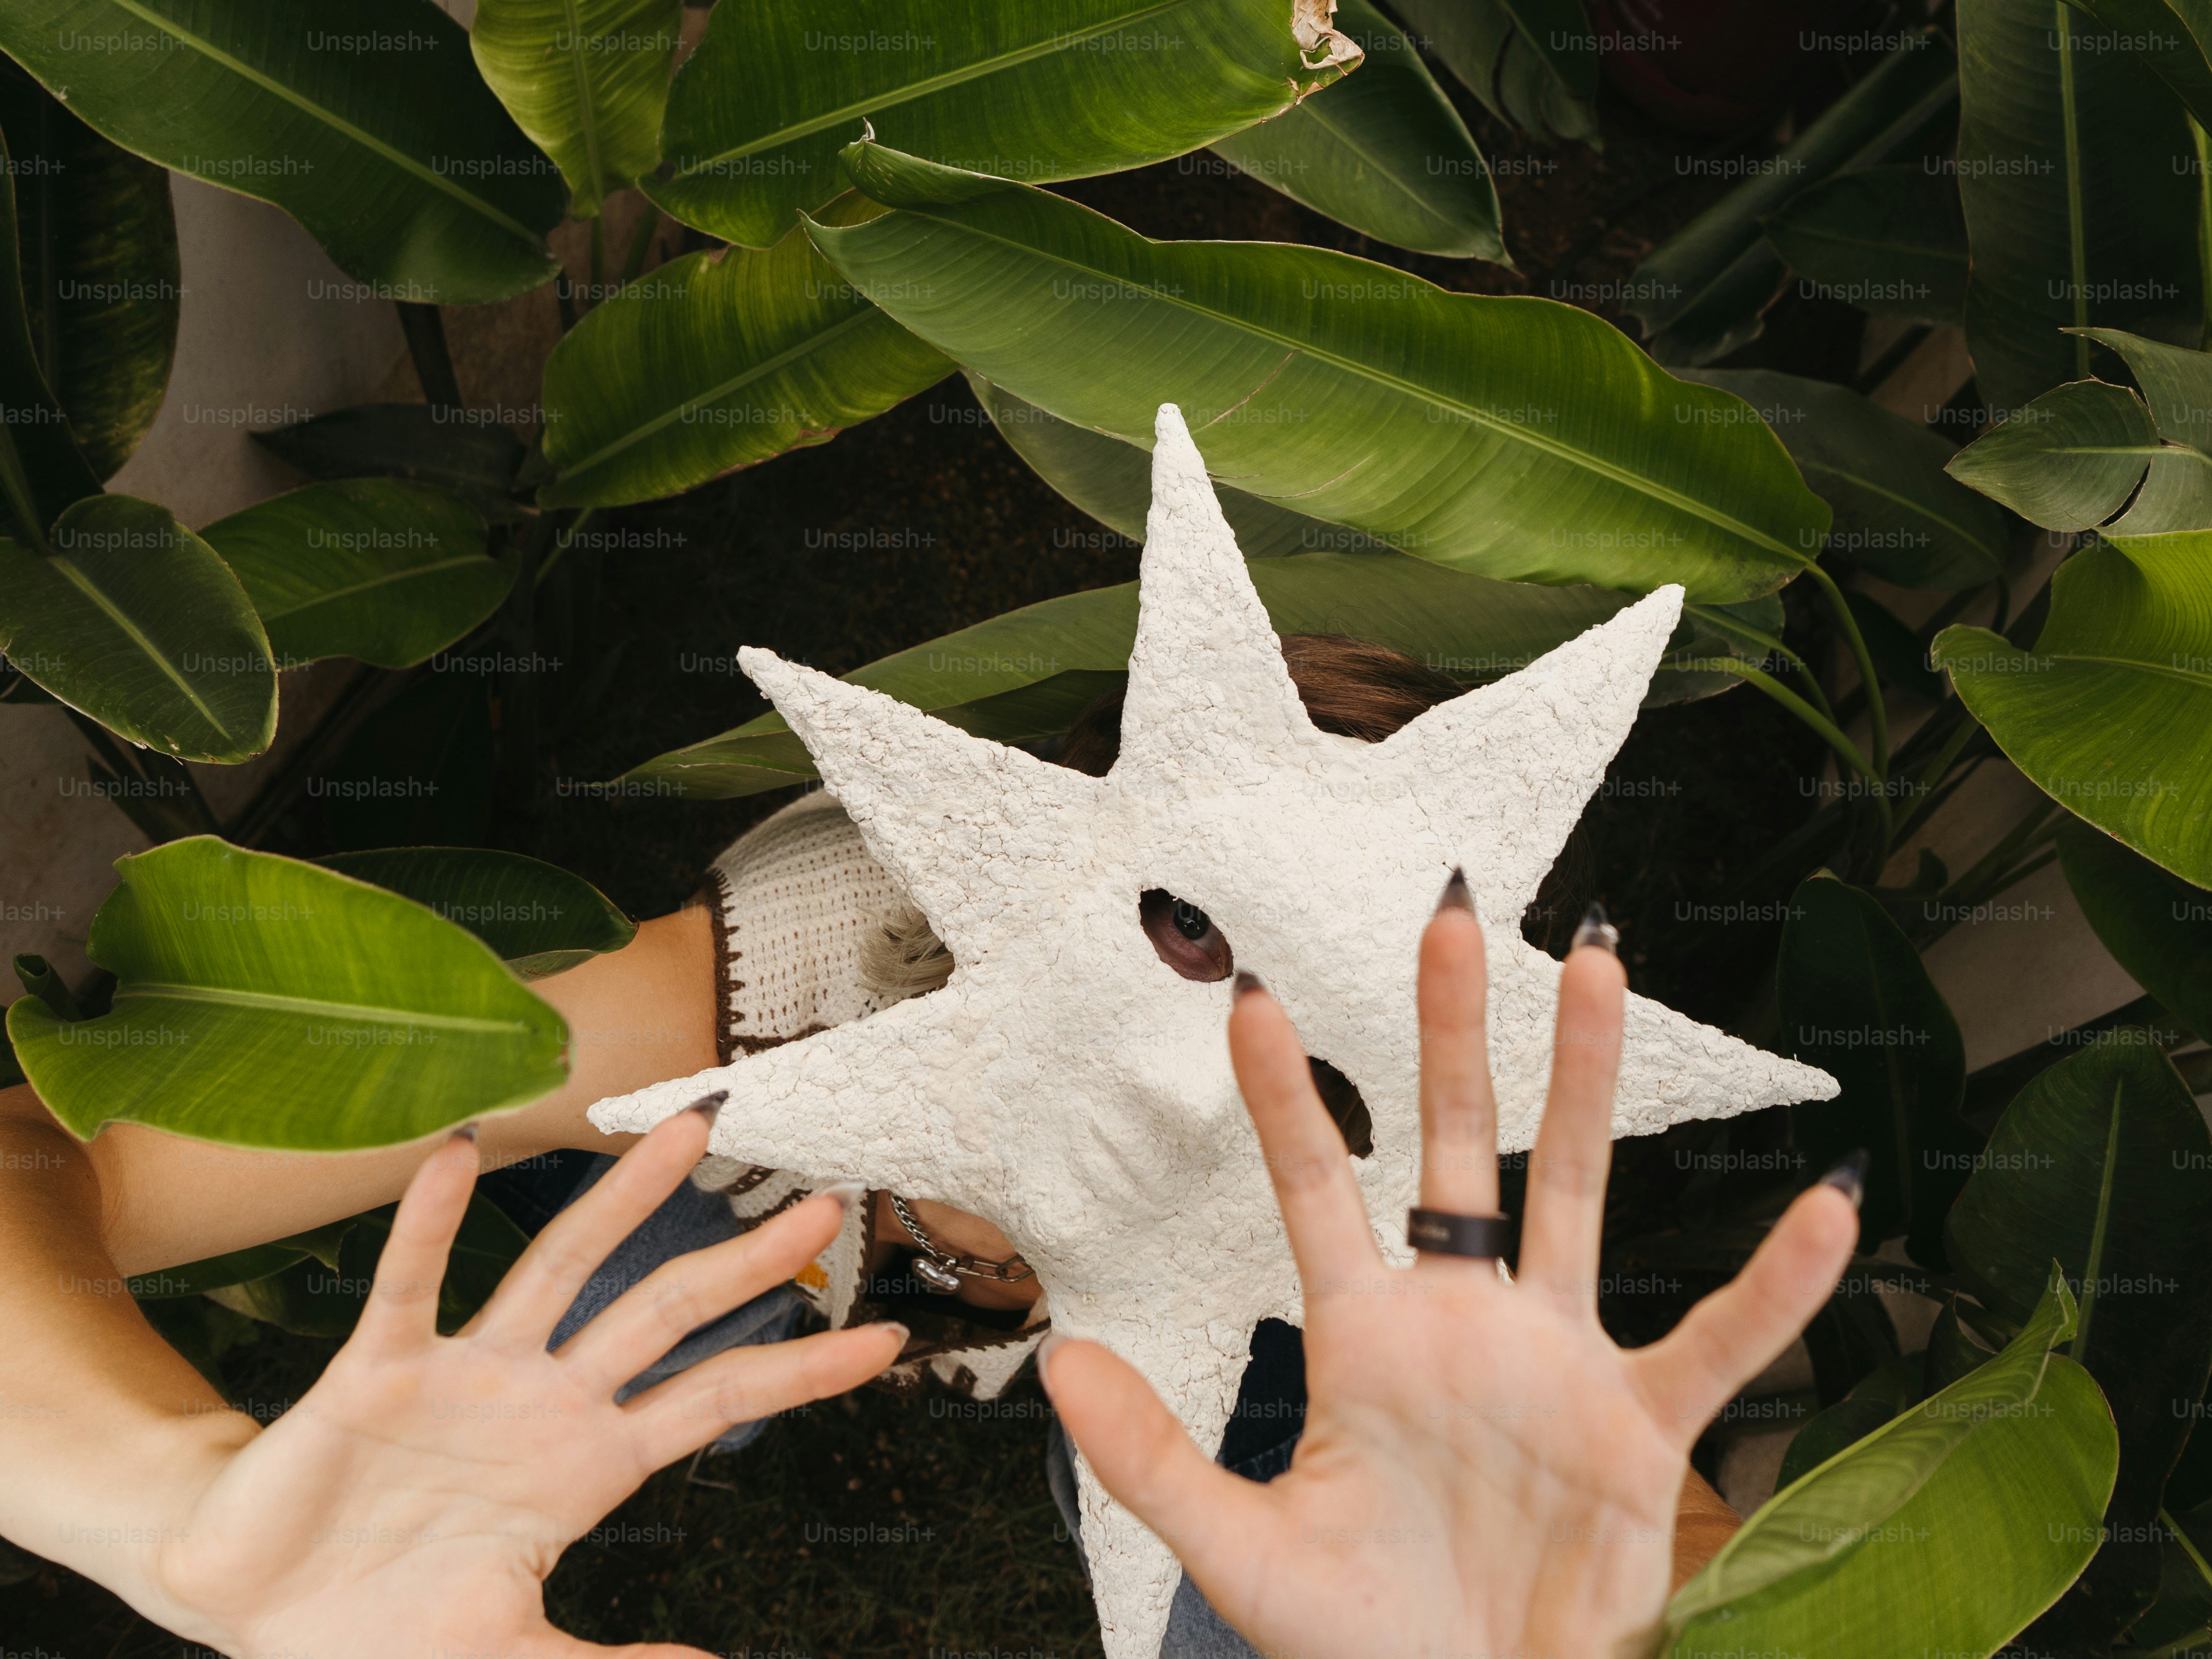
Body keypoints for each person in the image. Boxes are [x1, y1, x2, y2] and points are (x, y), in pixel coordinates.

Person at [0, 638, 1861, 1657]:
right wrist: (175, 1514)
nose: (1192, 1077)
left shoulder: (1333, 1293)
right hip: (763, 1192)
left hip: (1143, 1361)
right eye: (1189, 934)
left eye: (1321, 1050)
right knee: (626, 1240)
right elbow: (32, 1155)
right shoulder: (770, 987)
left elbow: (1560, 1564)